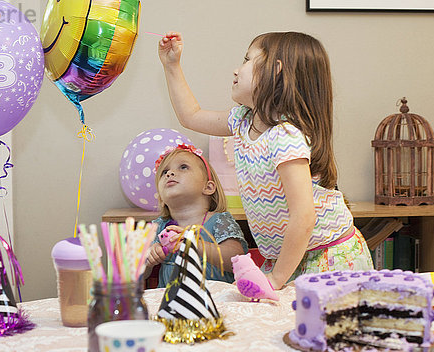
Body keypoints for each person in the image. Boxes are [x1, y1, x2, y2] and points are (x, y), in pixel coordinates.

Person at [157, 31, 373, 289]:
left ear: (276, 70)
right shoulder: (241, 121)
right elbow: (191, 116)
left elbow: (303, 216)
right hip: (285, 258)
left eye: (247, 60)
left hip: (326, 258)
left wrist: (276, 278)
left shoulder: (285, 136)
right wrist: (172, 66)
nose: (236, 70)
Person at [145, 143, 248, 288]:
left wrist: (195, 244)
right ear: (161, 199)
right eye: (164, 172)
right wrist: (147, 258)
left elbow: (237, 261)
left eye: (183, 167)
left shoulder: (219, 221)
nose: (169, 173)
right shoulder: (157, 227)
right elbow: (134, 274)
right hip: (172, 307)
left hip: (215, 305)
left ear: (208, 187)